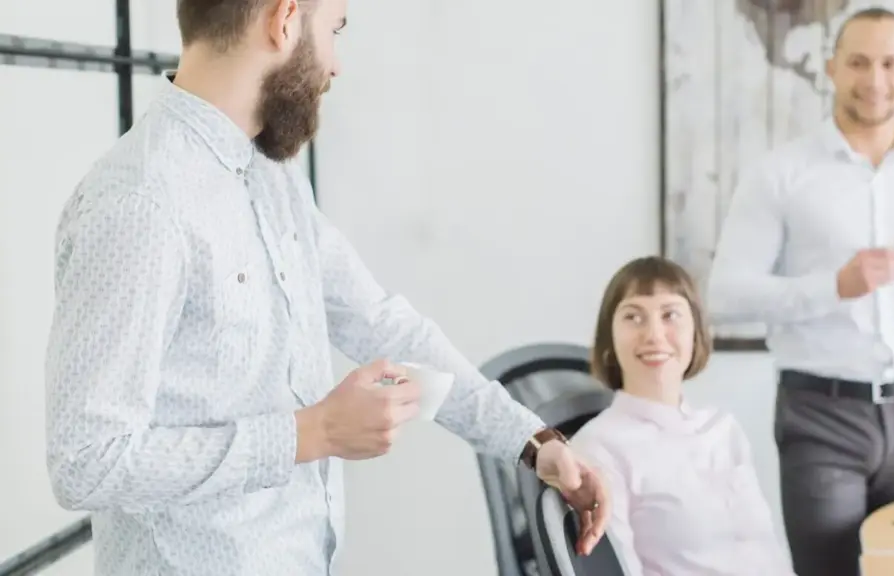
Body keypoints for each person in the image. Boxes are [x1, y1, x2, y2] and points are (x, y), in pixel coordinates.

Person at [42, 1, 608, 574]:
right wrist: (310, 433)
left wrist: (533, 443)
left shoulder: (270, 174)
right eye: (334, 30)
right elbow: (86, 461)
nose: (336, 64)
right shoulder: (138, 202)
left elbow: (382, 324)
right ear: (284, 19)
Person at [706, 7, 894, 576]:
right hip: (821, 418)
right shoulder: (779, 173)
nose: (874, 79)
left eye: (890, 63)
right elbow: (725, 296)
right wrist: (834, 286)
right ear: (831, 67)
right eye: (858, 62)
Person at [571, 257, 794, 576]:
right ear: (609, 339)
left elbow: (767, 553)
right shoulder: (597, 449)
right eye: (633, 316)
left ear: (696, 333)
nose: (654, 334)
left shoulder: (723, 429)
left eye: (670, 315)